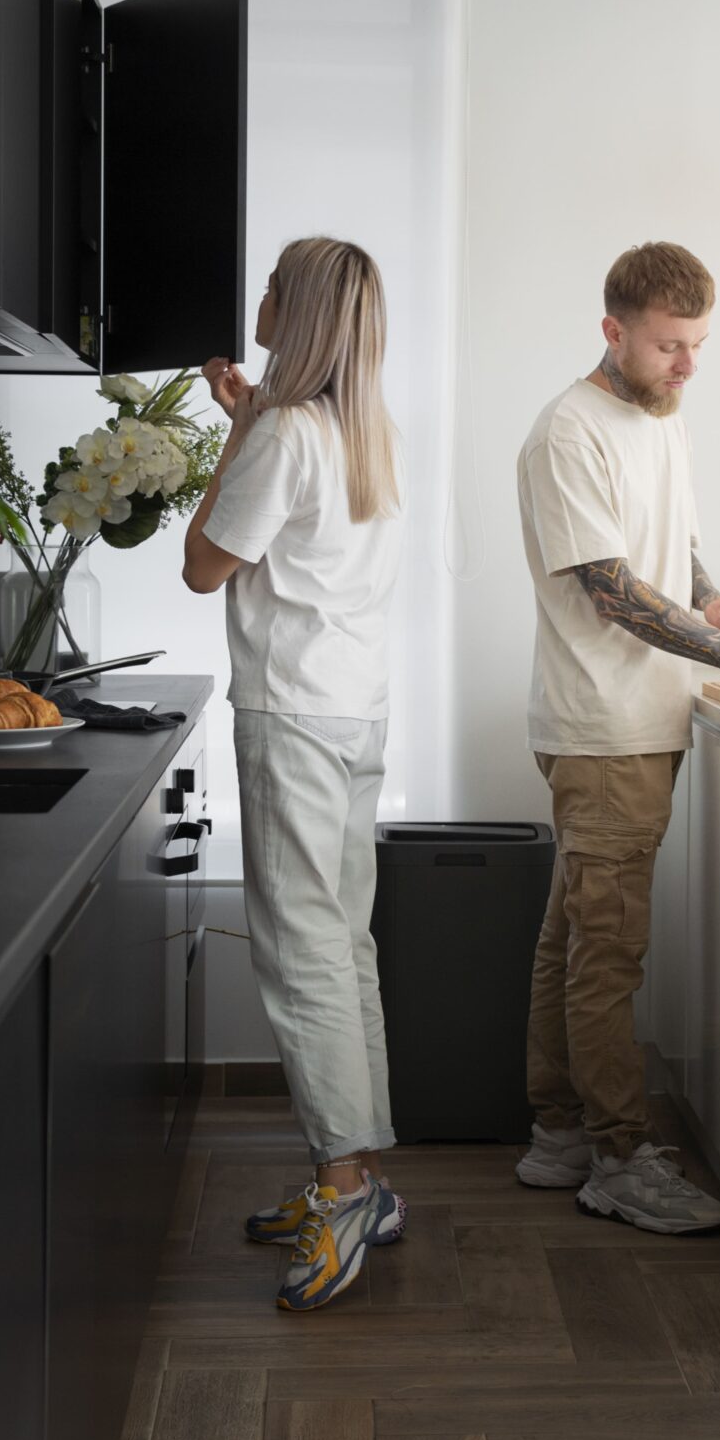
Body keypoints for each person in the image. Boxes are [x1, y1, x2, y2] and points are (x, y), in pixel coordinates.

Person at [513, 241, 720, 1234]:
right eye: (668, 346)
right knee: (608, 954)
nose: (688, 365)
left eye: (698, 344)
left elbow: (666, 553)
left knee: (574, 938)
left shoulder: (659, 417)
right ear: (612, 331)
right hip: (604, 728)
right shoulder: (569, 432)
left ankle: (559, 1133)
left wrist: (713, 598)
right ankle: (617, 1157)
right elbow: (611, 590)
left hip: (637, 721)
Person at [184, 236, 407, 1309]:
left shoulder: (283, 430)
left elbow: (202, 565)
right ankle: (364, 1177)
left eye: (272, 286)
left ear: (300, 310)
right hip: (354, 709)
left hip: (293, 712)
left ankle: (343, 1190)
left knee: (300, 953)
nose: (260, 296)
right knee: (342, 944)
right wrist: (252, 415)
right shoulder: (362, 427)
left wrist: (240, 429)